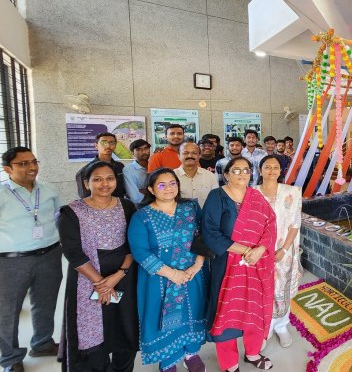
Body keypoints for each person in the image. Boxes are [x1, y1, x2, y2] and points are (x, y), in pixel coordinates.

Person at [57, 161, 139, 371]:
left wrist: (118, 276)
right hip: (87, 279)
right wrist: (101, 284)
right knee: (91, 333)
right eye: (97, 179)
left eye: (110, 178)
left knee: (124, 327)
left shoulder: (127, 206)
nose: (105, 184)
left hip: (124, 277)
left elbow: (134, 243)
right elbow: (73, 252)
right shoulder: (72, 212)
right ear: (86, 183)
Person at [128, 168, 208, 372]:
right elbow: (140, 252)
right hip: (159, 280)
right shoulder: (142, 216)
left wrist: (197, 265)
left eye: (172, 183)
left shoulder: (190, 208)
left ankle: (191, 353)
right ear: (151, 189)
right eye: (161, 185)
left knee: (193, 313)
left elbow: (202, 237)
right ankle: (169, 360)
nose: (168, 188)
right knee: (162, 320)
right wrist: (172, 274)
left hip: (192, 275)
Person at [202, 157, 277, 371]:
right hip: (227, 265)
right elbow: (211, 233)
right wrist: (246, 251)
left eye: (246, 170)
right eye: (236, 170)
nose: (243, 174)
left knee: (254, 307)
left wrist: (260, 250)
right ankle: (229, 362)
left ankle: (252, 353)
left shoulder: (256, 197)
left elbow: (271, 224)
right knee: (228, 311)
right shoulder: (217, 196)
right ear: (226, 174)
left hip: (257, 265)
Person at [0, 147, 63, 372]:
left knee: (46, 303)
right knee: (7, 311)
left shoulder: (49, 190)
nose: (32, 167)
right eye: (23, 163)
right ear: (7, 168)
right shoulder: (2, 193)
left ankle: (42, 343)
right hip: (11, 261)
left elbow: (56, 218)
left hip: (50, 254)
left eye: (34, 161)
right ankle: (9, 358)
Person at [254, 156, 303, 348]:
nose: (272, 171)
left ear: (280, 171)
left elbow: (295, 223)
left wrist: (283, 249)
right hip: (258, 251)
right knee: (261, 289)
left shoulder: (292, 192)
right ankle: (264, 328)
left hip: (284, 250)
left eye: (276, 167)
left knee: (281, 286)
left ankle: (282, 326)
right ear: (260, 170)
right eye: (267, 167)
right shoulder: (252, 193)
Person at [75, 133, 127, 198]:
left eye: (112, 143)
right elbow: (85, 197)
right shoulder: (85, 171)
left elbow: (124, 189)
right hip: (98, 207)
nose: (108, 146)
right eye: (103, 143)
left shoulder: (120, 166)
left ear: (115, 146)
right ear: (96, 145)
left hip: (119, 205)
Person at [175, 142, 218, 207]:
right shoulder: (172, 176)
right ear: (178, 156)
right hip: (180, 216)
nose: (190, 156)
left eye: (194, 153)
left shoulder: (210, 176)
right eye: (186, 153)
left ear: (199, 155)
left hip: (205, 216)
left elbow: (216, 200)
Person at [123, 139, 151, 204]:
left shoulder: (154, 166)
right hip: (139, 208)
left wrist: (142, 190)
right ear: (132, 152)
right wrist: (152, 192)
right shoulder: (128, 170)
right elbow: (135, 197)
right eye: (138, 149)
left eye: (146, 148)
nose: (143, 152)